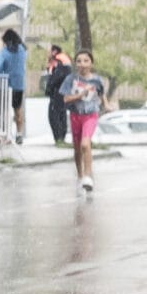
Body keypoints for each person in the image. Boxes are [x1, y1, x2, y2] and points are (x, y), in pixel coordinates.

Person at [60, 48, 106, 194]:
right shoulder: (71, 79)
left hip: (90, 115)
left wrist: (107, 105)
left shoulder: (97, 80)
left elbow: (101, 94)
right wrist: (79, 96)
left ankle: (88, 176)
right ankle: (80, 175)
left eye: (86, 61)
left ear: (91, 63)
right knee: (77, 149)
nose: (82, 64)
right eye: (79, 61)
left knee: (85, 144)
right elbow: (66, 98)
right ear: (75, 64)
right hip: (75, 116)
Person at [0, 26, 29, 141]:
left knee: (3, 111)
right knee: (17, 110)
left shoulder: (5, 52)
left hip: (6, 86)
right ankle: (19, 134)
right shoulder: (23, 50)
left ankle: (4, 135)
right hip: (19, 85)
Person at [41, 44, 72, 146]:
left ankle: (59, 138)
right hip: (63, 92)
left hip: (58, 92)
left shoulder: (59, 60)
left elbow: (57, 76)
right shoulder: (63, 59)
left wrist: (49, 88)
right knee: (61, 114)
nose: (47, 53)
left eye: (49, 51)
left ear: (54, 51)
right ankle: (61, 138)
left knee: (54, 115)